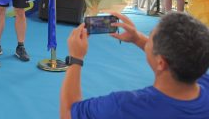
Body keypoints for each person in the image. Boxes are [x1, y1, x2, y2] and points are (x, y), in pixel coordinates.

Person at [61, 11, 209, 119]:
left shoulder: (124, 106)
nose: (147, 40)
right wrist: (137, 38)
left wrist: (76, 58)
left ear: (161, 63)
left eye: (150, 38)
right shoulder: (200, 79)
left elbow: (68, 114)